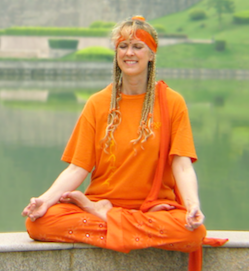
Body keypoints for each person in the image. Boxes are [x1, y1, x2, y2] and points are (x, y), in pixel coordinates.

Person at [22, 16, 227, 271]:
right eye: (123, 46)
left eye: (137, 46)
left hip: (153, 208)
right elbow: (77, 168)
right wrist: (44, 201)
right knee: (39, 223)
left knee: (193, 234)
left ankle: (106, 216)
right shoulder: (98, 103)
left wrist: (193, 205)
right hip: (107, 202)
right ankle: (112, 215)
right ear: (116, 52)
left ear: (151, 54)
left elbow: (182, 166)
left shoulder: (172, 103)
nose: (129, 53)